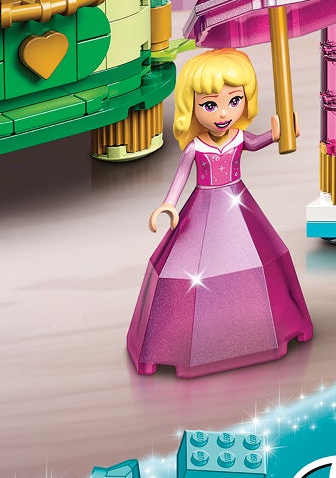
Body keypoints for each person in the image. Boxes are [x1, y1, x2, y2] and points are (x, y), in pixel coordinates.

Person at [127, 49, 315, 378]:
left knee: (256, 259)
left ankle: (268, 328)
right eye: (210, 105)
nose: (223, 113)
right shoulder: (196, 147)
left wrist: (279, 133)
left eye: (234, 100)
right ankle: (178, 344)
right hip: (203, 206)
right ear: (191, 106)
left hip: (237, 202)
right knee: (191, 268)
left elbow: (256, 143)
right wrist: (169, 204)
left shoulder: (238, 137)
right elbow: (181, 177)